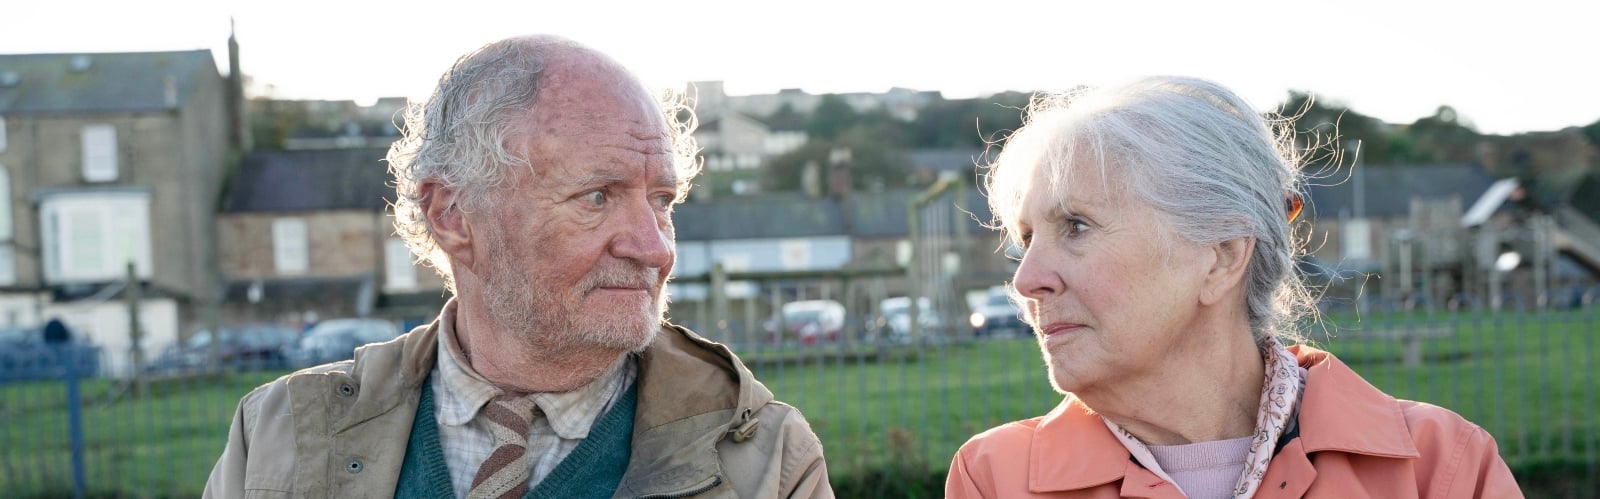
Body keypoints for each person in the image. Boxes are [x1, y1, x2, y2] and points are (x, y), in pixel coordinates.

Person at [205, 35, 832, 498]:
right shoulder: (278, 439)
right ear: (452, 215)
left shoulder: (766, 462)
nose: (655, 247)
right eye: (597, 197)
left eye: (662, 201)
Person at [945, 77, 1520, 498]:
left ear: (1221, 257)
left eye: (1076, 226)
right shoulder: (996, 478)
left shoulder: (1439, 467)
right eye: (1026, 237)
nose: (1026, 280)